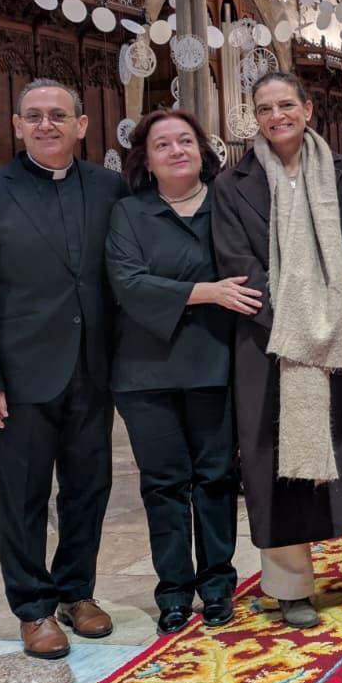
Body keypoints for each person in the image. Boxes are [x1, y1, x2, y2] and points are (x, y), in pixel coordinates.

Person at [211, 72, 342, 629]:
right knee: (275, 460)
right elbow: (237, 264)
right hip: (269, 341)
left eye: (286, 105)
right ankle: (289, 584)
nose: (276, 116)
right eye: (265, 109)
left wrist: (324, 306)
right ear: (256, 118)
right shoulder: (232, 184)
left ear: (309, 109)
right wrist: (290, 317)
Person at [0, 79, 127, 660]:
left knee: (88, 488)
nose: (45, 124)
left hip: (93, 367)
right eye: (34, 116)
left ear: (82, 126)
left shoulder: (109, 188)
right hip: (22, 372)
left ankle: (77, 592)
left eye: (58, 115)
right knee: (23, 493)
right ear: (16, 125)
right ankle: (32, 607)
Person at [106, 109, 256, 635]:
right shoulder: (128, 214)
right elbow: (128, 283)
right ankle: (173, 591)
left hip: (217, 362)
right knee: (165, 484)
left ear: (202, 149)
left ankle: (218, 586)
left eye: (185, 141)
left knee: (216, 477)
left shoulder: (228, 205)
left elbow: (252, 270)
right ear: (145, 160)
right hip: (145, 371)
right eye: (163, 144)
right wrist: (207, 292)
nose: (176, 151)